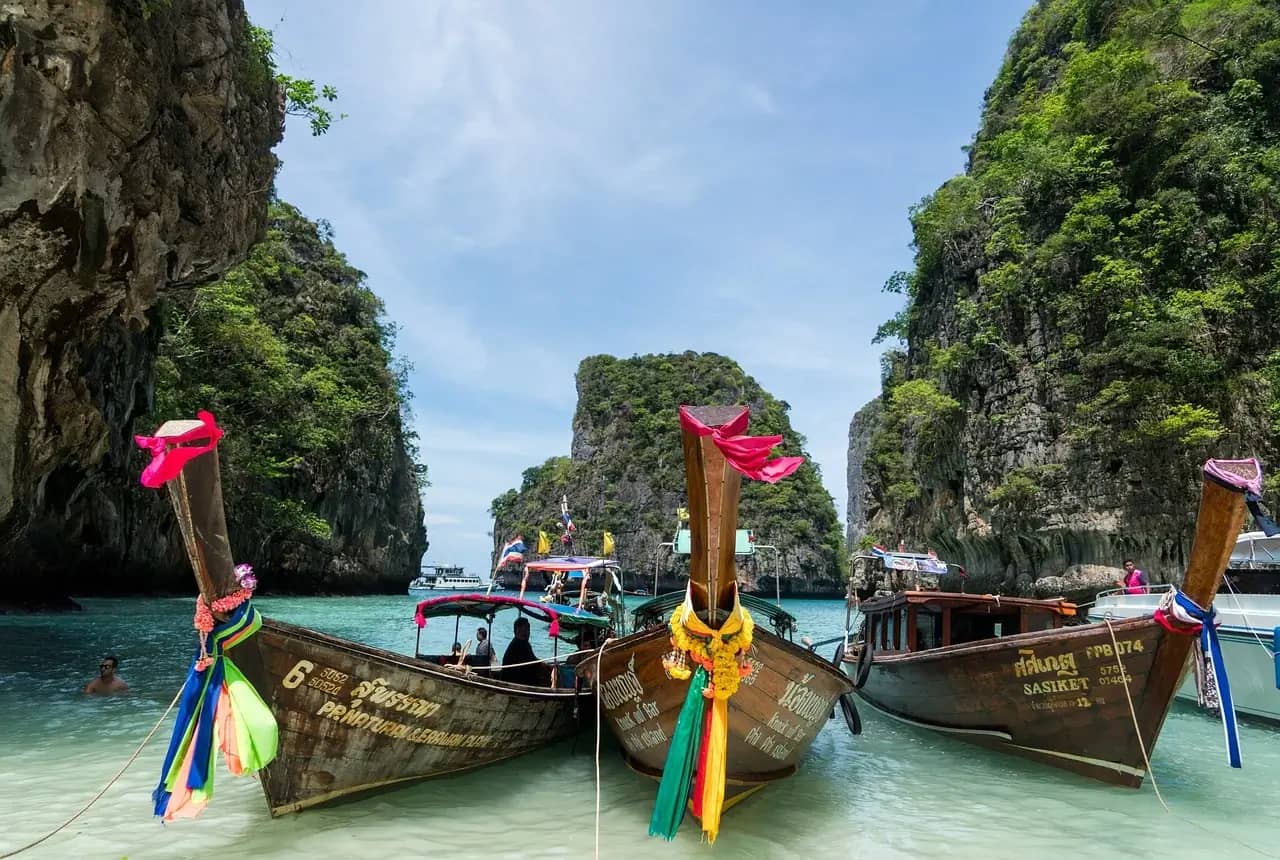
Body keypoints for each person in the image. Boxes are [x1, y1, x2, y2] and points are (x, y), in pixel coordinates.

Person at [501, 617, 544, 686]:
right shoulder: (517, 645)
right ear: (518, 630)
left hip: (522, 678)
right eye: (526, 629)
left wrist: (544, 664)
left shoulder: (525, 644)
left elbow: (532, 659)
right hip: (515, 682)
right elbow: (529, 662)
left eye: (528, 629)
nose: (528, 632)